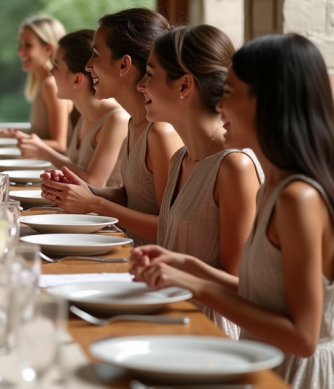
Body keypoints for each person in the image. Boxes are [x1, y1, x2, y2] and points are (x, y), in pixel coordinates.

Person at [131, 34, 334, 389]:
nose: (219, 106)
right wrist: (186, 266)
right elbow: (266, 298)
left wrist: (196, 285)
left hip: (292, 378)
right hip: (260, 363)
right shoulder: (274, 187)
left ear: (268, 102)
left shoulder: (298, 199)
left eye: (230, 94)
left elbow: (303, 338)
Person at [137, 25, 262, 337]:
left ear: (184, 85)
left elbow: (238, 282)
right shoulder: (180, 157)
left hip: (210, 334)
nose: (140, 85)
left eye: (150, 74)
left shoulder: (235, 166)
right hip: (170, 316)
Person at [41, 8, 183, 246]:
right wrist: (83, 190)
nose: (88, 66)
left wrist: (95, 204)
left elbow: (167, 228)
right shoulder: (134, 122)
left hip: (144, 268)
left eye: (96, 55)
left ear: (124, 64)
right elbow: (133, 197)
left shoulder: (160, 132)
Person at [18, 29, 128, 187]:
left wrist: (45, 152)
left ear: (77, 79)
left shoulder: (117, 119)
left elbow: (94, 182)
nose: (50, 71)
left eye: (56, 66)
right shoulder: (84, 115)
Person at [3, 15, 73, 150]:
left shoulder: (51, 85)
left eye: (27, 45)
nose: (19, 51)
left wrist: (19, 138)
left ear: (48, 49)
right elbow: (42, 136)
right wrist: (17, 134)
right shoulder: (43, 83)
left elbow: (59, 145)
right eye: (20, 44)